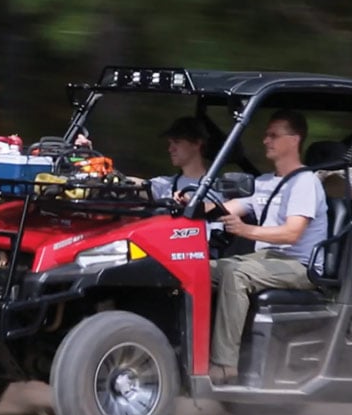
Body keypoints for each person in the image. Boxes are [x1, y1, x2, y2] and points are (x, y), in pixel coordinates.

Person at [205, 109, 328, 385]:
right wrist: (193, 203)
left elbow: (292, 233)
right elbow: (225, 208)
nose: (266, 141)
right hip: (267, 259)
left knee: (235, 274)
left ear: (294, 140)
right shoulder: (263, 183)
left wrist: (246, 229)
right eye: (266, 135)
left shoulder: (305, 183)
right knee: (195, 268)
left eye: (273, 135)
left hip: (299, 265)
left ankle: (224, 365)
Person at [74, 116, 210, 200]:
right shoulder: (166, 185)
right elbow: (128, 182)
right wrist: (92, 159)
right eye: (170, 143)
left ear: (197, 143)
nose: (170, 149)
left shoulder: (219, 188)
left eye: (177, 142)